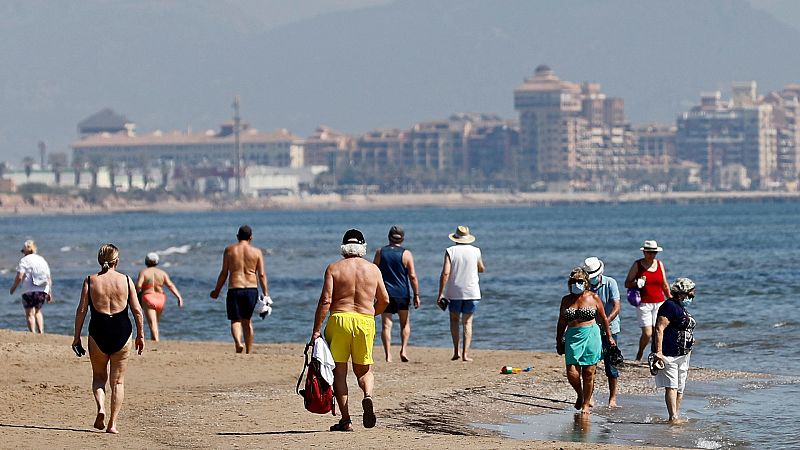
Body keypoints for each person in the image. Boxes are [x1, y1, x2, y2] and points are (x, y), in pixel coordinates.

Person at [311, 229, 389, 432]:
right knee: (364, 370)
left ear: (343, 247)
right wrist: (371, 315)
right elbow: (385, 300)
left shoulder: (334, 268)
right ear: (362, 247)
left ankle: (346, 420)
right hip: (364, 320)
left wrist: (316, 330)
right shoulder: (373, 269)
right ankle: (367, 396)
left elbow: (326, 300)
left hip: (339, 320)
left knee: (339, 371)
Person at [72, 244, 145, 434]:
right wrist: (141, 335)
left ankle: (101, 408)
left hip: (98, 331)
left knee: (98, 378)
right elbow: (137, 310)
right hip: (122, 331)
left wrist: (76, 337)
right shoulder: (126, 280)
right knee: (118, 382)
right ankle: (112, 424)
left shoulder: (90, 280)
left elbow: (81, 310)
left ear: (99, 260)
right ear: (117, 261)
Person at [556, 267, 615, 415]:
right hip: (572, 336)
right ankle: (580, 394)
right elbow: (561, 322)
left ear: (586, 282)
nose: (576, 284)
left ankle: (586, 404)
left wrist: (609, 336)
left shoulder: (593, 297)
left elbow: (603, 318)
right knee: (572, 372)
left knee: (589, 372)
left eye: (580, 281)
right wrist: (558, 340)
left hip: (591, 335)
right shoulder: (566, 300)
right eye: (574, 281)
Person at [210, 225, 269, 354]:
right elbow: (262, 275)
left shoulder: (229, 250)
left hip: (235, 288)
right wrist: (266, 294)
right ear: (251, 238)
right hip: (251, 289)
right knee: (247, 321)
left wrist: (216, 291)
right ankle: (248, 350)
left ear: (237, 237)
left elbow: (224, 273)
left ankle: (238, 342)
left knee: (235, 320)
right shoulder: (257, 252)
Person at [651, 277, 697, 424]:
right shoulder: (669, 306)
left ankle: (675, 414)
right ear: (680, 294)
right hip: (668, 353)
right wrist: (658, 352)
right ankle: (673, 417)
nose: (691, 298)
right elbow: (659, 328)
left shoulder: (680, 307)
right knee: (672, 385)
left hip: (683, 354)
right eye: (689, 295)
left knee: (680, 387)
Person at [437, 225, 485, 362]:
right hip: (472, 292)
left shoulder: (450, 251)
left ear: (456, 238)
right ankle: (465, 354)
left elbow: (445, 273)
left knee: (454, 320)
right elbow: (481, 268)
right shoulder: (476, 251)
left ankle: (456, 351)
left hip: (454, 292)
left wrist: (441, 293)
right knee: (467, 322)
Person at [373, 225, 420, 363]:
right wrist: (416, 294)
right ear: (402, 239)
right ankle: (403, 350)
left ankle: (388, 355)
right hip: (402, 294)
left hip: (385, 293)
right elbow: (412, 276)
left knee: (386, 325)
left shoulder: (380, 252)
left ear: (389, 237)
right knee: (404, 323)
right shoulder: (406, 254)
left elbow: (374, 272)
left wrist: (373, 293)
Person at [582, 256, 622, 407]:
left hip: (611, 328)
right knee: (590, 364)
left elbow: (617, 306)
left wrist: (605, 321)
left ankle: (613, 398)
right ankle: (589, 396)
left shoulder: (610, 283)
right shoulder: (585, 287)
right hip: (590, 329)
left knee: (611, 364)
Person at [624, 240, 671, 361]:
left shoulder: (659, 264)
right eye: (649, 252)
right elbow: (627, 283)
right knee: (648, 333)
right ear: (644, 252)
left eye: (654, 252)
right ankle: (640, 354)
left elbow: (665, 285)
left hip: (659, 303)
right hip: (644, 303)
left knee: (659, 331)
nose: (651, 254)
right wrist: (637, 283)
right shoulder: (637, 265)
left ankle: (657, 355)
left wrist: (671, 300)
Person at [135, 252, 184, 341]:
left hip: (148, 298)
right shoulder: (162, 273)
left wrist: (135, 296)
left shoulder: (144, 272)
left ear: (146, 262)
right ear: (157, 262)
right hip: (161, 299)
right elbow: (170, 285)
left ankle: (156, 342)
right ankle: (155, 339)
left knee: (152, 323)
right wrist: (179, 297)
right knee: (155, 323)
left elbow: (138, 286)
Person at [9, 240, 52, 333]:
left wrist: (13, 287)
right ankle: (41, 332)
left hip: (28, 289)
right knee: (38, 311)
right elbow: (48, 277)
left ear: (25, 251)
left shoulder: (24, 260)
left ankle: (32, 333)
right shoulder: (41, 259)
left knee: (29, 314)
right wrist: (49, 292)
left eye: (23, 251)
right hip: (42, 289)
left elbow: (20, 276)